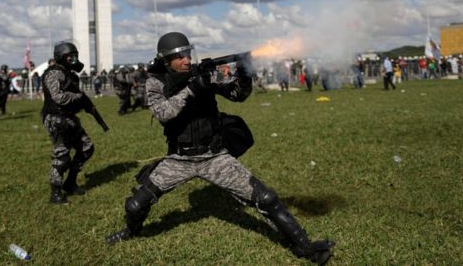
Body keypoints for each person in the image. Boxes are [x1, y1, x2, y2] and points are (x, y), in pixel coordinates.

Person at [105, 32, 335, 264]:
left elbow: (237, 95)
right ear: (166, 60)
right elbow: (163, 114)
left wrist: (244, 76)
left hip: (214, 157)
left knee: (266, 198)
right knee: (135, 205)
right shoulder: (156, 81)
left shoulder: (203, 74)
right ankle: (131, 231)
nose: (187, 60)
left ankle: (305, 248)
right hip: (179, 159)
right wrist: (192, 89)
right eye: (180, 57)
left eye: (187, 54)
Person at [41, 41, 97, 204]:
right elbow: (58, 97)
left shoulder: (70, 74)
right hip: (56, 119)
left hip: (70, 118)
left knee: (87, 148)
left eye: (75, 56)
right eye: (70, 56)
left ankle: (70, 182)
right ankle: (55, 192)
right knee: (62, 155)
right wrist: (78, 97)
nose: (73, 59)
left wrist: (87, 105)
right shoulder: (54, 73)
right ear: (60, 57)